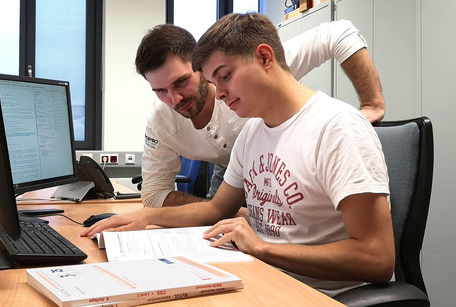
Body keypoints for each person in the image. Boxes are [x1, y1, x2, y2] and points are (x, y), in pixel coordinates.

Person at [82, 12, 394, 296]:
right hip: (261, 278)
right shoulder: (253, 132)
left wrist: (260, 246)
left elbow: (377, 258)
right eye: (214, 80)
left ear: (264, 58)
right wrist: (146, 216)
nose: (220, 92)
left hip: (316, 294)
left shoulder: (338, 128)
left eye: (225, 75)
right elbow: (215, 210)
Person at [136, 19, 385, 208]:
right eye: (160, 91)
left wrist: (372, 104)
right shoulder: (160, 122)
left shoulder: (260, 69)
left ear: (203, 69)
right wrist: (227, 212)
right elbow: (154, 194)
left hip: (277, 165)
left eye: (181, 82)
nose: (174, 99)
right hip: (233, 170)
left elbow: (338, 33)